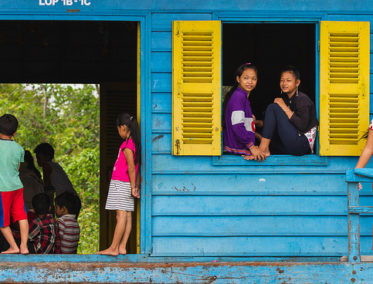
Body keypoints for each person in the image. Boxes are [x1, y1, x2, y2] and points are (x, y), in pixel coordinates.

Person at [98, 113, 141, 256]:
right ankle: (122, 247)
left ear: (123, 127)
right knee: (127, 215)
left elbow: (130, 167)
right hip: (126, 183)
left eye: (118, 129)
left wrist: (133, 187)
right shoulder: (134, 143)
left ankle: (114, 248)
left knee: (120, 215)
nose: (118, 132)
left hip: (121, 182)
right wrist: (134, 185)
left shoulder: (128, 145)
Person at [257, 66, 318, 157]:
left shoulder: (303, 99)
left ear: (297, 83)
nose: (284, 83)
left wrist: (283, 106)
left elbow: (302, 126)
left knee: (273, 108)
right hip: (292, 142)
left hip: (302, 144)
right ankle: (261, 143)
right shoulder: (286, 99)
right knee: (267, 128)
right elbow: (271, 123)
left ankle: (263, 149)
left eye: (288, 80)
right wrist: (256, 123)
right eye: (282, 80)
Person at [223, 63, 265, 161]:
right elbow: (237, 126)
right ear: (238, 79)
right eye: (246, 78)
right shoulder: (238, 97)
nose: (250, 82)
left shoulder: (243, 97)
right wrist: (251, 147)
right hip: (236, 149)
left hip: (242, 147)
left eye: (253, 79)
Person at [0, 114, 29, 254]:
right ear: (15, 132)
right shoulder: (19, 148)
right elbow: (17, 168)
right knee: (21, 216)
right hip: (17, 187)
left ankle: (13, 246)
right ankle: (24, 246)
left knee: (2, 220)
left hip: (2, 189)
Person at [33, 143, 81, 217]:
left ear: (47, 156)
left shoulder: (47, 166)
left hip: (66, 200)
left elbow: (48, 188)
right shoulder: (56, 166)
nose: (37, 160)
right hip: (74, 199)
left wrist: (50, 207)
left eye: (39, 157)